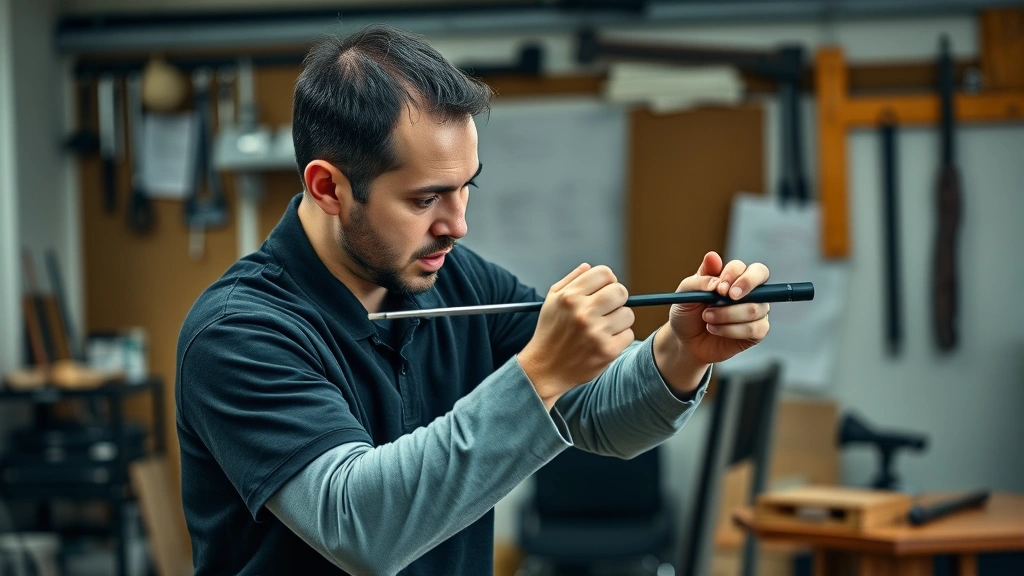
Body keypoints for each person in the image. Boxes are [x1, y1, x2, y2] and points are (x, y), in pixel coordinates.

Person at [176, 24, 770, 576]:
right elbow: (358, 527)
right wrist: (540, 372)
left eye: (467, 187)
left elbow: (598, 416)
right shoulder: (237, 334)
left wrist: (680, 353)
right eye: (425, 199)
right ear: (328, 187)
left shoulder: (457, 280)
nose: (457, 226)